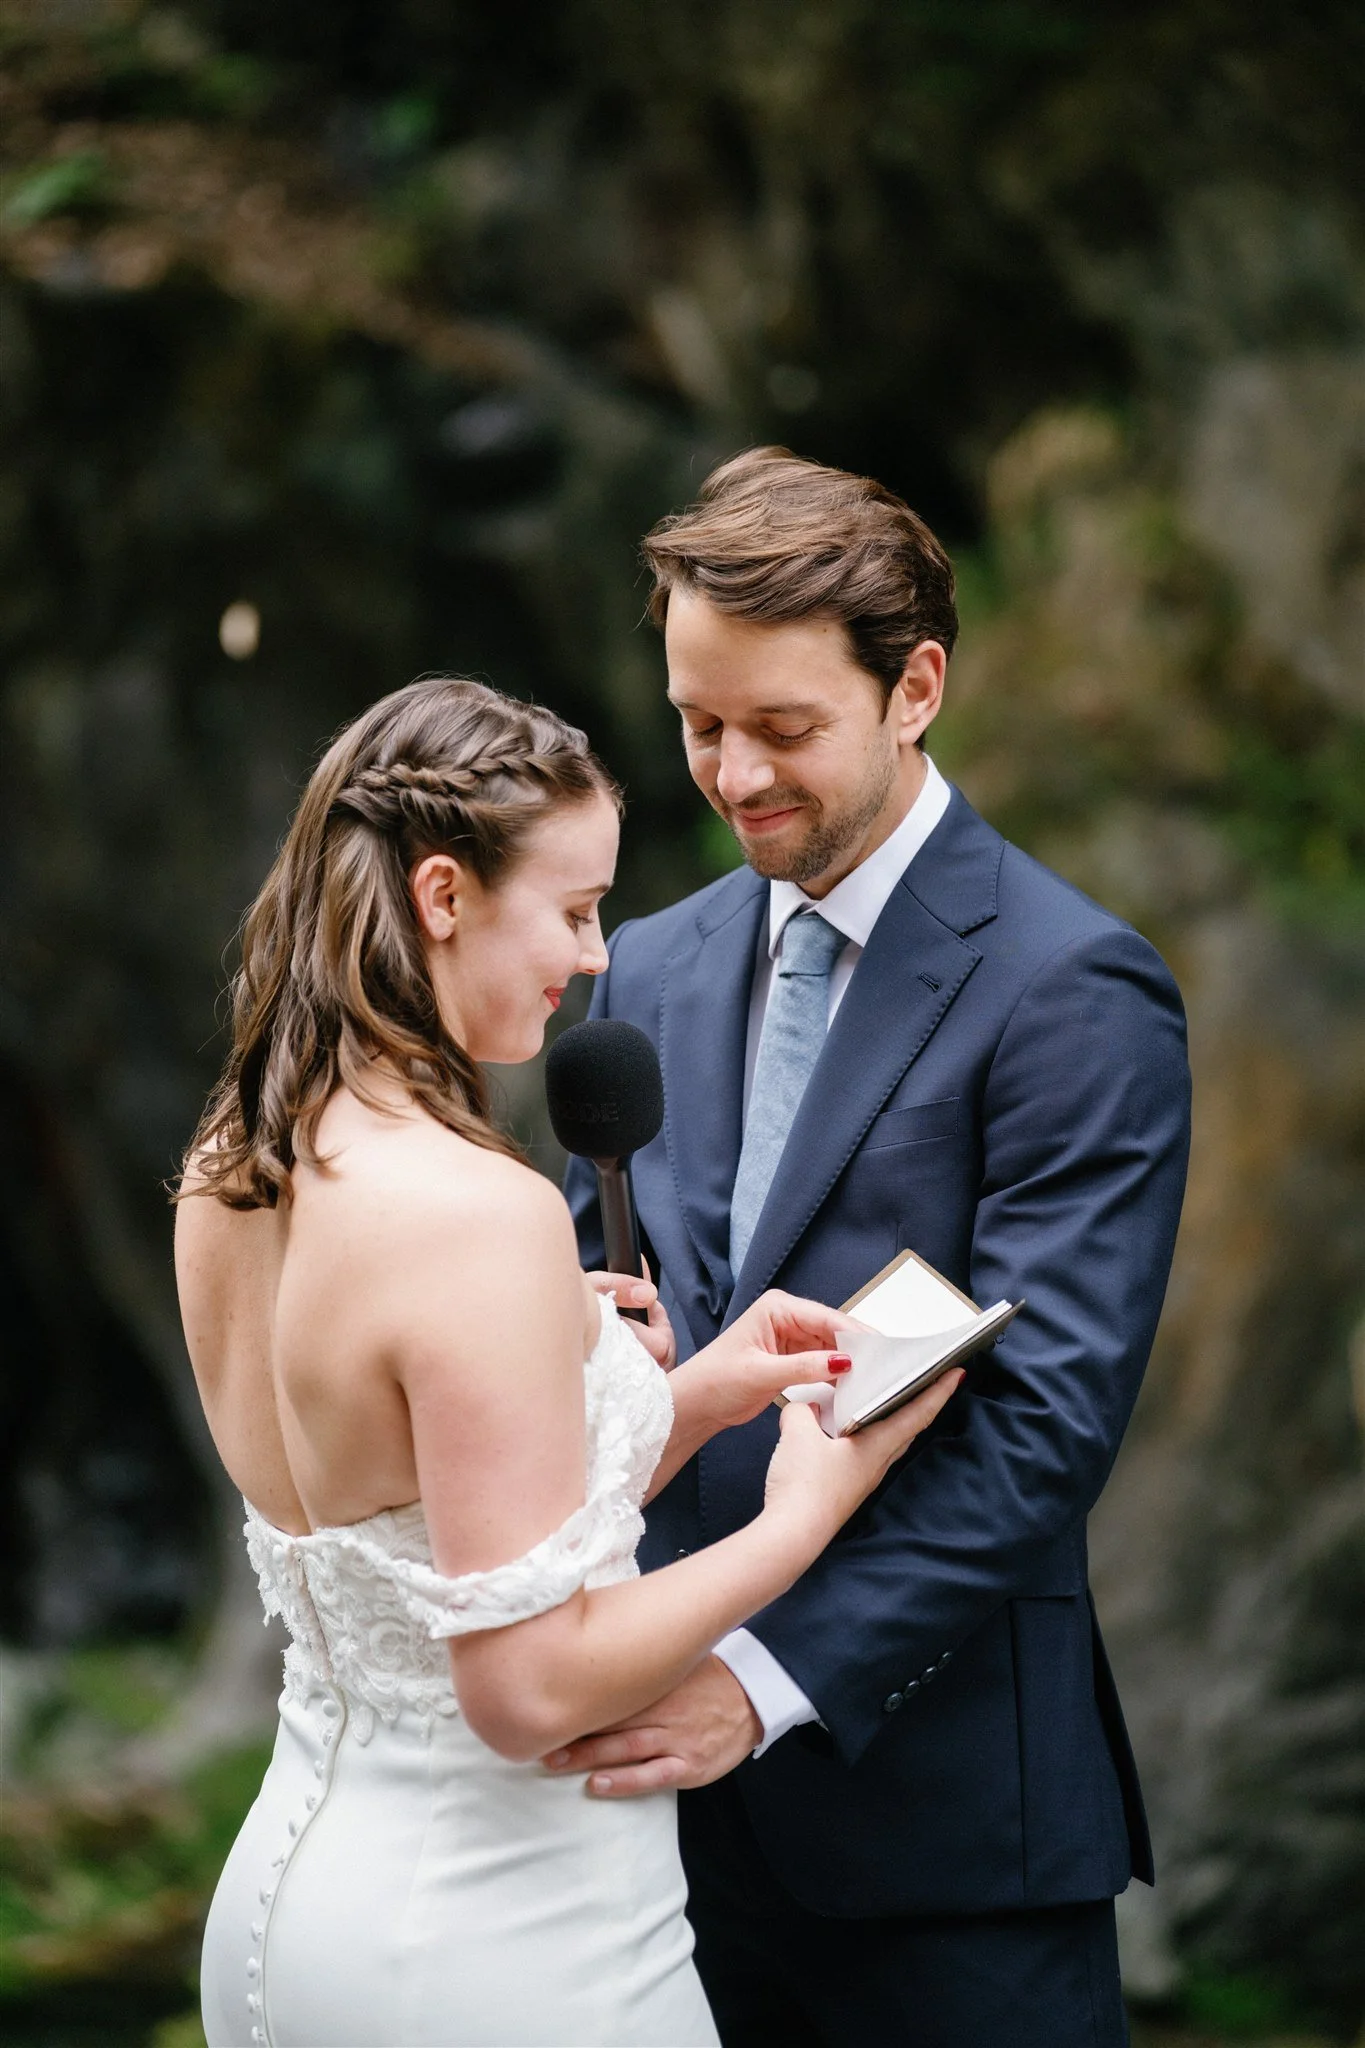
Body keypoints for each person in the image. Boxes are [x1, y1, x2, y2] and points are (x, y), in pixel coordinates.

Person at [176, 675, 958, 2048]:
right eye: (577, 908)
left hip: (289, 1914)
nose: (597, 957)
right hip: (509, 1939)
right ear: (441, 895)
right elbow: (525, 1685)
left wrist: (692, 1395)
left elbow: (423, 1534)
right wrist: (801, 1520)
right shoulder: (480, 1214)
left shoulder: (235, 1169)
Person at [560, 448, 1193, 2048]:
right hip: (640, 1858)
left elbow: (1041, 1427)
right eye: (700, 724)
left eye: (784, 728)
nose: (733, 775)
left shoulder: (1073, 988)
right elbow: (594, 1337)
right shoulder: (637, 965)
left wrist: (764, 1685)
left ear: (916, 688)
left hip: (945, 1848)